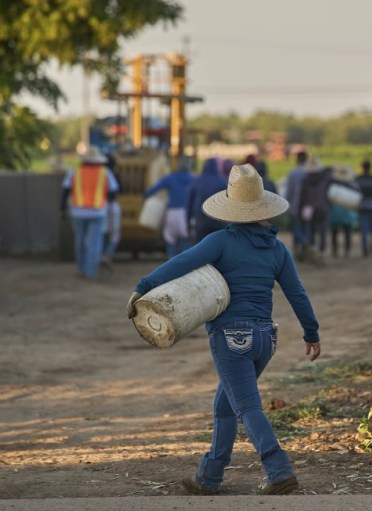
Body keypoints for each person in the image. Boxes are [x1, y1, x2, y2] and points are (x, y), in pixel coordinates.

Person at [126, 164, 321, 496]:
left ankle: (279, 469)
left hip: (231, 337)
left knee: (246, 406)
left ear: (232, 207)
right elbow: (296, 293)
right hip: (265, 339)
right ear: (264, 207)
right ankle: (209, 477)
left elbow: (180, 263)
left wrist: (143, 287)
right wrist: (311, 332)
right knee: (225, 405)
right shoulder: (277, 248)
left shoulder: (220, 241)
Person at [60, 147, 120, 279]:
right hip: (98, 212)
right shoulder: (105, 172)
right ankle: (91, 272)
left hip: (77, 212)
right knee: (94, 243)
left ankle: (81, 268)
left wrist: (62, 209)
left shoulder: (73, 172)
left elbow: (65, 192)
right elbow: (114, 192)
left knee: (80, 241)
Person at [144, 155, 195, 257]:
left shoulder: (170, 178)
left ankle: (172, 265)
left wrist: (145, 196)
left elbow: (153, 190)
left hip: (172, 214)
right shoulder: (194, 179)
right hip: (187, 215)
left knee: (170, 242)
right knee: (186, 246)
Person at [187, 157, 228, 243]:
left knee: (201, 248)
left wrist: (188, 223)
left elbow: (189, 204)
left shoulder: (197, 181)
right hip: (218, 221)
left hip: (201, 219)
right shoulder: (223, 181)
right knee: (218, 248)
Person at [298, 159, 333, 259]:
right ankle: (321, 252)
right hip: (323, 208)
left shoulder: (305, 181)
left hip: (309, 210)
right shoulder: (325, 180)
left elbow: (302, 197)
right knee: (323, 231)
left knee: (311, 231)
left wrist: (300, 210)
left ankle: (313, 251)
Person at [328, 165, 360, 258]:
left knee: (334, 232)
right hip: (347, 212)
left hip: (335, 212)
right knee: (347, 232)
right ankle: (347, 250)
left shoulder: (333, 184)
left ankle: (335, 251)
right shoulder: (351, 184)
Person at [284, 150, 310, 258]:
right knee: (305, 227)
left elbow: (289, 190)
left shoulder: (293, 173)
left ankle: (299, 248)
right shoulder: (310, 172)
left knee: (296, 229)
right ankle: (305, 250)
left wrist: (286, 203)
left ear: (297, 159)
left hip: (295, 204)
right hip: (308, 206)